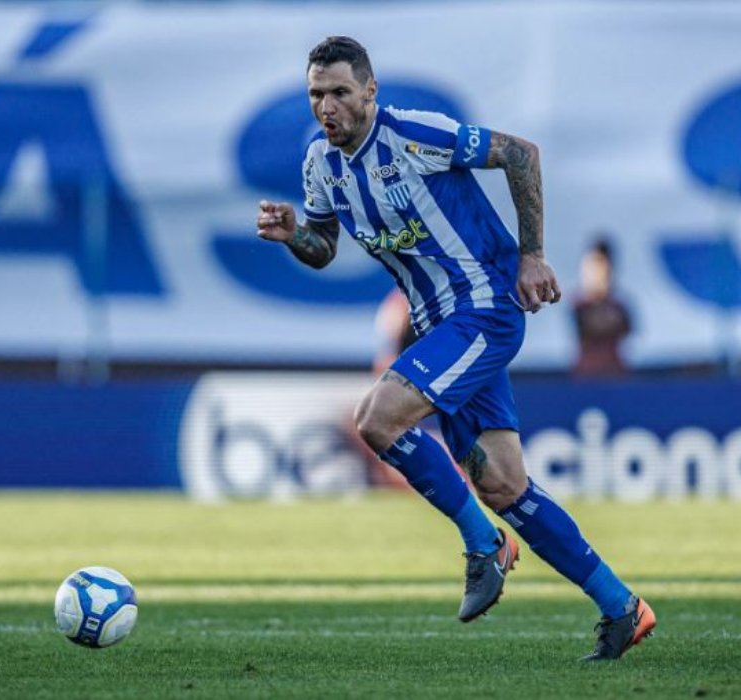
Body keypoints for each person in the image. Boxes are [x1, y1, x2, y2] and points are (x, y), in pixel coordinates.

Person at [256, 36, 655, 661]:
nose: (326, 107)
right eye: (315, 95)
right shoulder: (320, 165)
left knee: (377, 419)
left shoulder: (414, 134)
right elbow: (324, 247)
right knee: (503, 485)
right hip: (438, 327)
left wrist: (531, 256)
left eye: (338, 92)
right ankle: (622, 608)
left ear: (369, 91)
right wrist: (294, 237)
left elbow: (520, 155)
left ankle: (482, 544)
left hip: (484, 310)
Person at [571, 237, 632, 377]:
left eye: (602, 265)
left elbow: (627, 329)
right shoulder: (578, 305)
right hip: (586, 375)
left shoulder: (620, 305)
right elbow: (588, 327)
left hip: (616, 374)